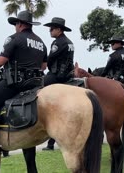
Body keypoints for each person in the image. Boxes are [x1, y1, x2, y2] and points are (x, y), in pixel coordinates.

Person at [0, 10, 47, 156]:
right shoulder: (41, 43)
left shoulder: (14, 38)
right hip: (35, 84)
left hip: (16, 83)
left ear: (20, 24)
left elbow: (1, 61)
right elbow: (43, 66)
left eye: (16, 24)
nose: (15, 27)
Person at [41, 17, 74, 151]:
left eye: (52, 28)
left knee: (36, 89)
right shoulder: (69, 42)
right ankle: (50, 143)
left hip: (56, 76)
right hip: (68, 75)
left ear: (59, 30)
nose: (50, 30)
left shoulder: (58, 42)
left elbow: (50, 59)